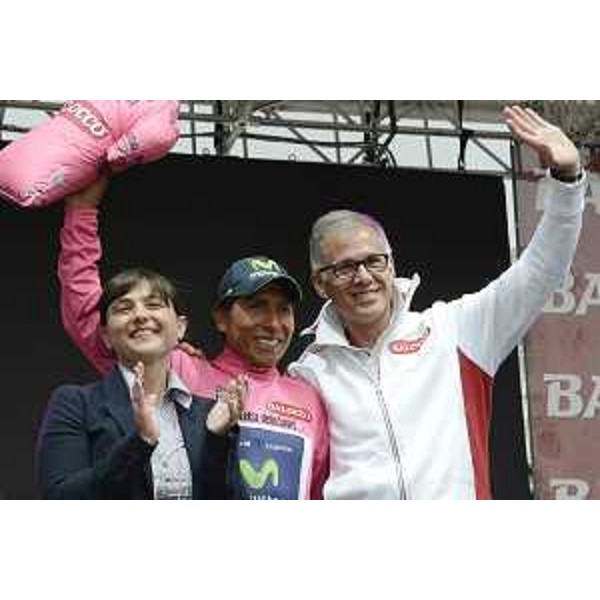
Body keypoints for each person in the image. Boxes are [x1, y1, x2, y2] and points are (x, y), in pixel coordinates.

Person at [288, 105, 587, 499]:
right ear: (320, 282)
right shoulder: (309, 371)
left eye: (374, 261)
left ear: (391, 264)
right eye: (344, 268)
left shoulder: (454, 330)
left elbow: (539, 272)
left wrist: (567, 181)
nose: (363, 277)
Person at [57, 181, 329, 500]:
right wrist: (81, 213)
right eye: (256, 306)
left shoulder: (310, 398)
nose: (273, 323)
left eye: (283, 309)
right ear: (221, 318)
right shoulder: (181, 371)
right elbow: (91, 317)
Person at [37, 267, 245, 499]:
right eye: (124, 308)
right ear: (106, 336)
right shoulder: (76, 403)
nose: (140, 315)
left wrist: (216, 442)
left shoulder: (210, 415)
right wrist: (140, 443)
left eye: (154, 305)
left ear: (180, 327)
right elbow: (60, 499)